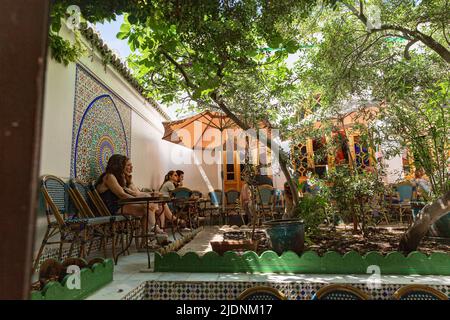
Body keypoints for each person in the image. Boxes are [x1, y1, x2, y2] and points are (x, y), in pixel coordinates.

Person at [95, 154, 164, 239]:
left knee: (146, 207)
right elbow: (122, 195)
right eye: (127, 165)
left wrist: (143, 201)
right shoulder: (109, 176)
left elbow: (133, 192)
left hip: (119, 204)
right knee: (146, 207)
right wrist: (141, 201)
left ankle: (150, 233)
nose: (130, 167)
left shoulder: (119, 177)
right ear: (119, 165)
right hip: (111, 207)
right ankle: (152, 231)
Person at [123, 163, 186, 230]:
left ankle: (161, 229)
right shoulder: (169, 183)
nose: (177, 177)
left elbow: (137, 192)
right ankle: (162, 227)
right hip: (164, 202)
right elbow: (175, 194)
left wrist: (152, 193)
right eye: (175, 175)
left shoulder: (129, 180)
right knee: (159, 205)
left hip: (160, 200)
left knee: (161, 205)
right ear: (170, 176)